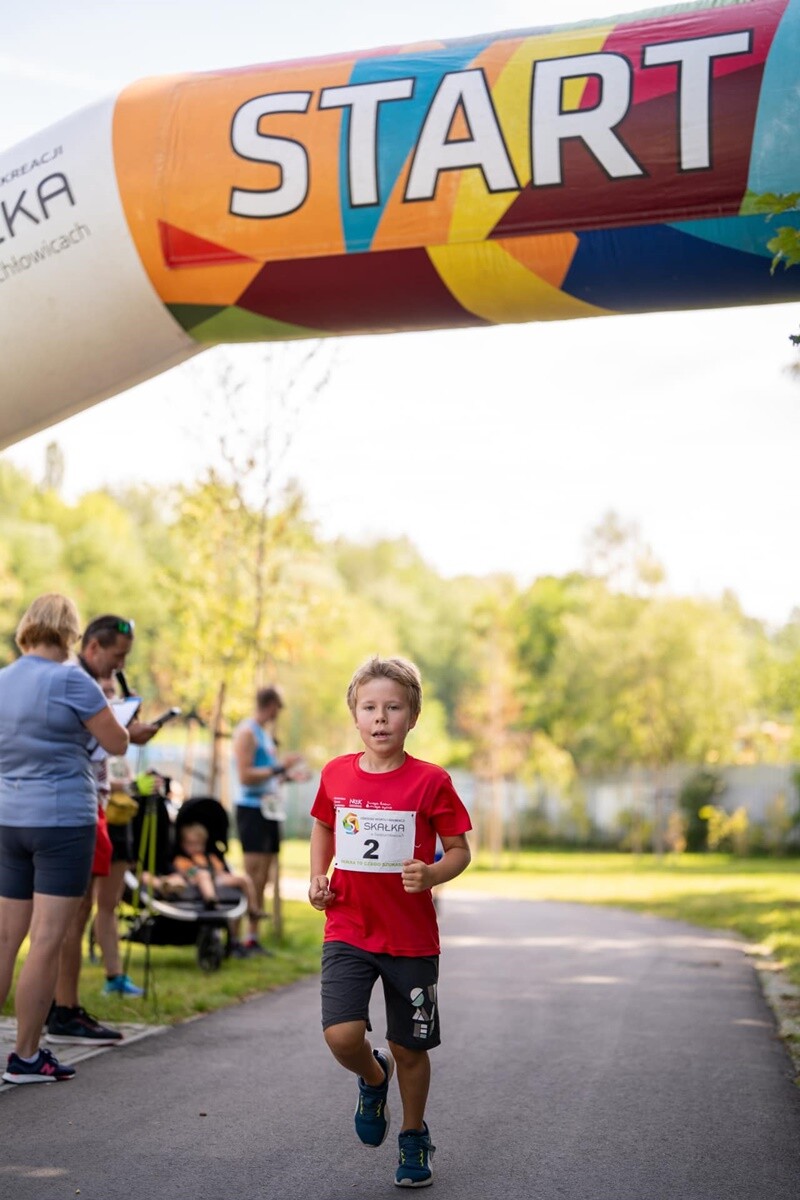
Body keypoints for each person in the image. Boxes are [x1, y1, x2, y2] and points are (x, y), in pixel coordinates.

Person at [308, 656, 471, 1188]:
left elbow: (459, 850)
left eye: (393, 708)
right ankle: (373, 1077)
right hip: (349, 926)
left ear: (412, 716)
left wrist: (433, 874)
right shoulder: (336, 773)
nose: (381, 718)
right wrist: (317, 878)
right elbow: (322, 827)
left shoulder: (431, 781)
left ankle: (413, 1135)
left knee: (412, 1047)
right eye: (370, 707)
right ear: (355, 715)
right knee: (341, 1034)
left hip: (410, 938)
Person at [0, 594, 129, 1084]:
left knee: (6, 937)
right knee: (48, 938)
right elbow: (116, 742)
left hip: (8, 817)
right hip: (61, 821)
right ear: (71, 632)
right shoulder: (72, 679)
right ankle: (27, 1056)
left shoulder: (3, 679)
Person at [46, 617, 159, 1048]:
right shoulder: (77, 681)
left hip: (93, 802)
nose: (119, 666)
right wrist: (129, 732)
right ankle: (64, 1009)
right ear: (93, 647)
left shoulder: (82, 681)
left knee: (76, 913)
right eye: (117, 656)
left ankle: (64, 1006)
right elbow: (109, 742)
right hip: (79, 805)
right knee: (70, 915)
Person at [233, 687, 305, 955]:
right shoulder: (247, 733)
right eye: (278, 707)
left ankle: (253, 937)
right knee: (250, 873)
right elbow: (245, 776)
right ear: (271, 704)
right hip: (251, 810)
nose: (278, 713)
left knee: (264, 875)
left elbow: (267, 776)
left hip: (268, 809)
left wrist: (285, 777)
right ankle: (235, 935)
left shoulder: (263, 734)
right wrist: (280, 768)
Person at [159, 820, 259, 919]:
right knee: (203, 875)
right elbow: (185, 874)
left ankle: (253, 909)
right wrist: (196, 868)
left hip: (216, 879)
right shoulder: (181, 860)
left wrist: (217, 871)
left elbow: (220, 870)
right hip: (194, 881)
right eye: (191, 844)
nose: (196, 848)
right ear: (183, 844)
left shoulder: (209, 857)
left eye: (199, 844)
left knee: (244, 878)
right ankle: (211, 899)